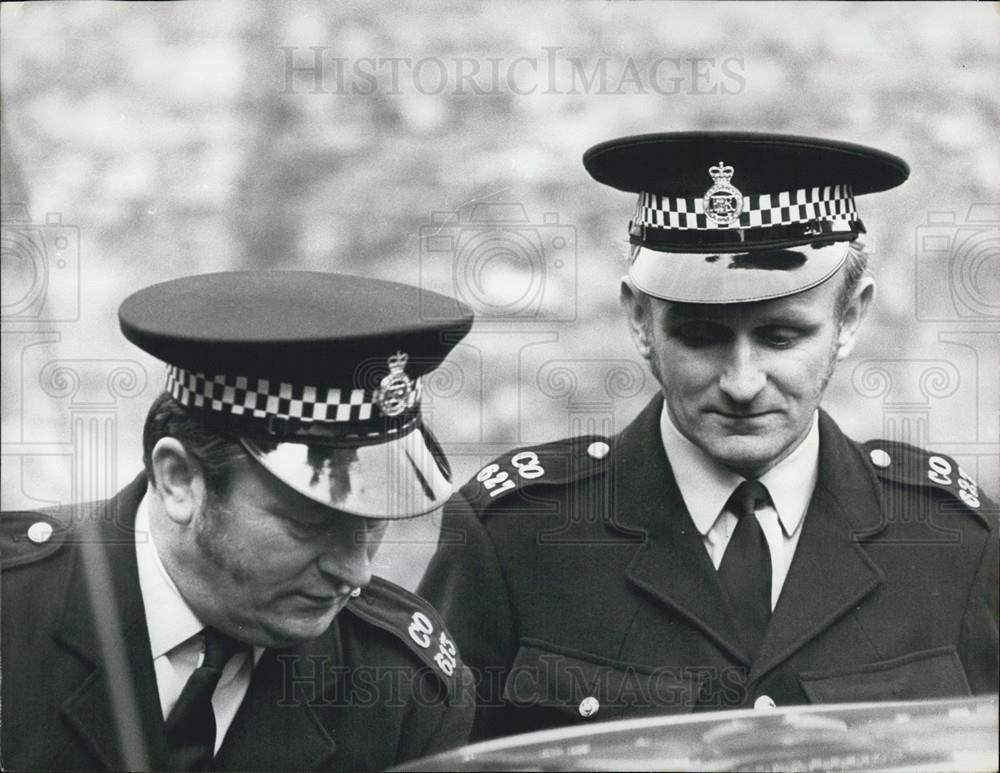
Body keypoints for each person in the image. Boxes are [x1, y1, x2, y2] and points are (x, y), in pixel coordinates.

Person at [419, 132, 999, 741]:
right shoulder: (516, 538)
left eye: (781, 336)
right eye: (701, 337)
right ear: (641, 321)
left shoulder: (955, 543)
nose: (742, 383)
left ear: (849, 318)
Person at [2, 271, 476, 771]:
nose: (355, 572)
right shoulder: (15, 611)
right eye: (309, 524)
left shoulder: (399, 687)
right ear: (179, 480)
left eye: (373, 522)